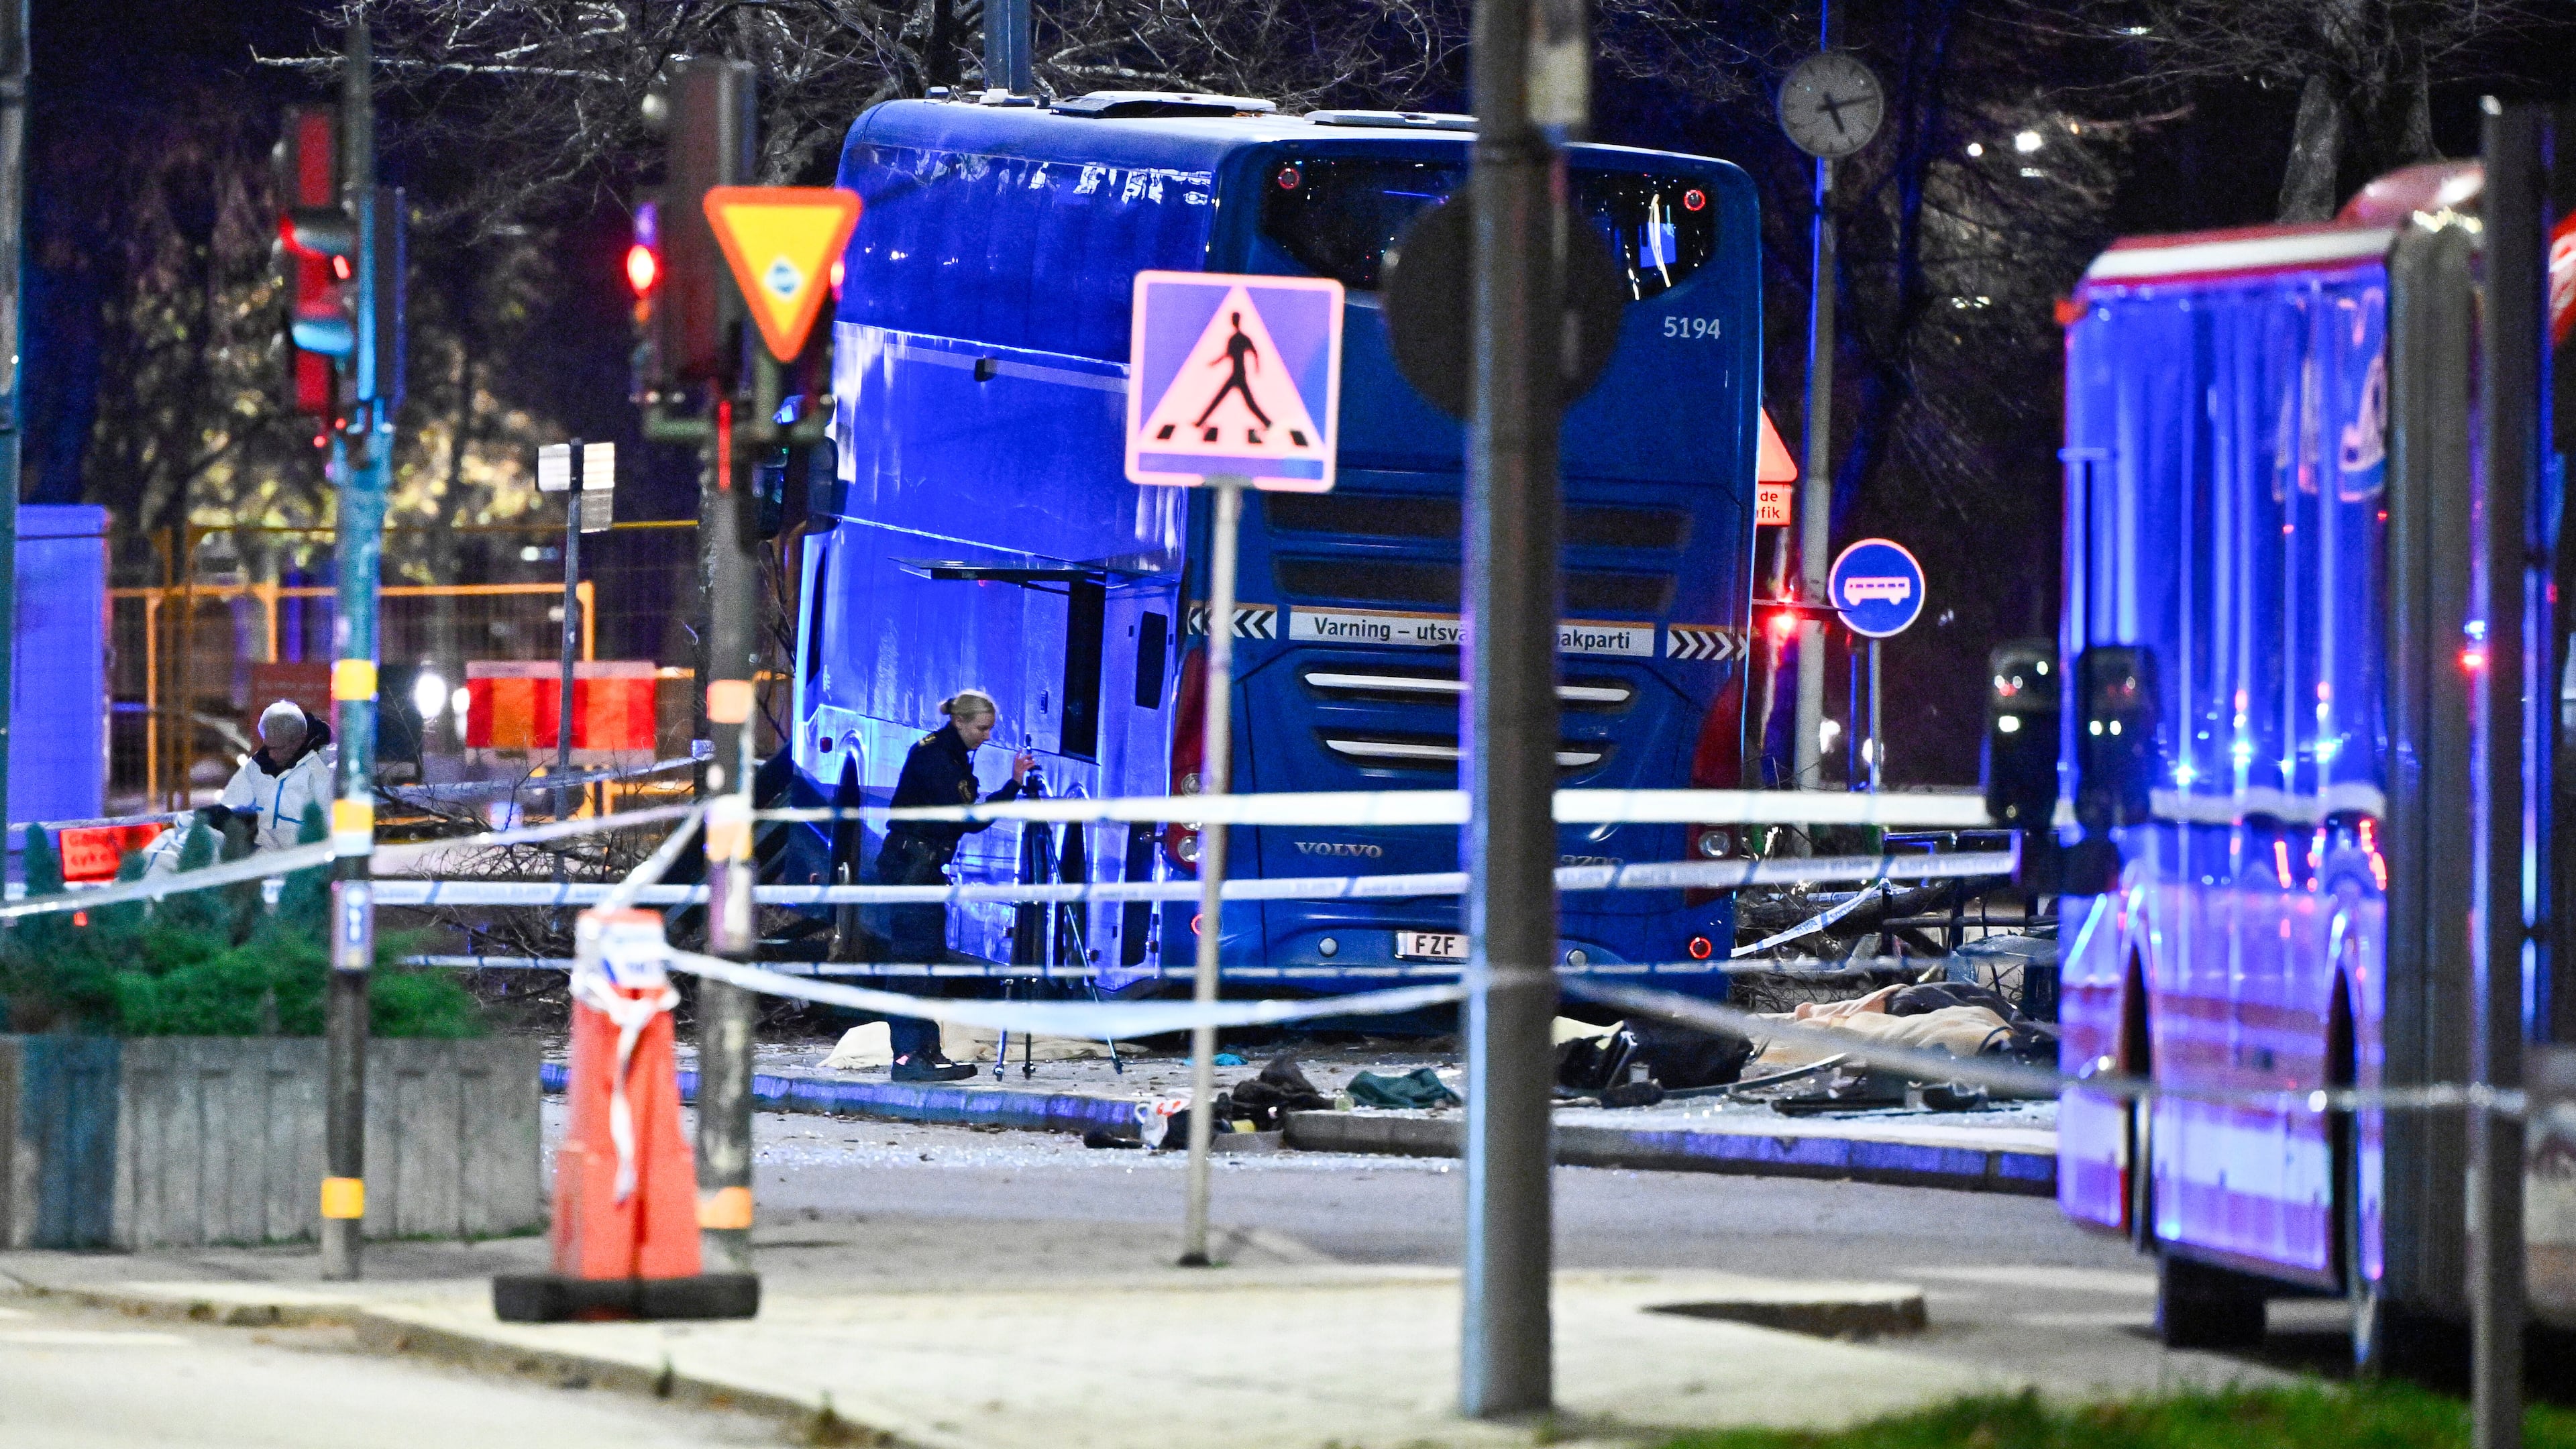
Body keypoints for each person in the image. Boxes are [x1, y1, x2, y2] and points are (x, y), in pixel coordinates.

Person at [874, 689, 1033, 1082]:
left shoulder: (951, 753)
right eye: (981, 728)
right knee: (912, 963)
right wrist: (1012, 786)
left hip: (922, 865)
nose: (987, 736)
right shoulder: (938, 758)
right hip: (912, 865)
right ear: (959, 722)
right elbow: (971, 819)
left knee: (926, 962)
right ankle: (909, 1056)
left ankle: (926, 1049)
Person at [221, 700, 335, 852]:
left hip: (304, 864)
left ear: (299, 740)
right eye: (268, 746)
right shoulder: (257, 766)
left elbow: (330, 830)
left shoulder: (325, 771)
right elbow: (229, 809)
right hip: (262, 861)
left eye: (278, 748)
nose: (271, 755)